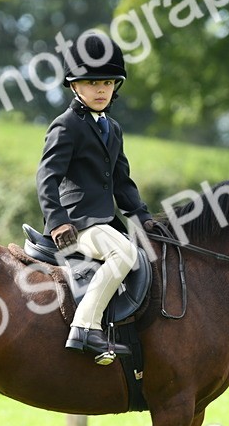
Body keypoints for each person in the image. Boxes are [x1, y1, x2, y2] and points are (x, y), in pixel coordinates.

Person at [36, 30, 156, 362]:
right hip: (77, 223)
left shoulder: (112, 128)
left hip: (104, 222)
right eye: (92, 83)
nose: (101, 90)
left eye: (107, 83)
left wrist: (143, 217)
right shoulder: (66, 126)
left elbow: (122, 182)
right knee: (125, 255)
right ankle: (85, 328)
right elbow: (47, 176)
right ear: (74, 86)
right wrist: (57, 220)